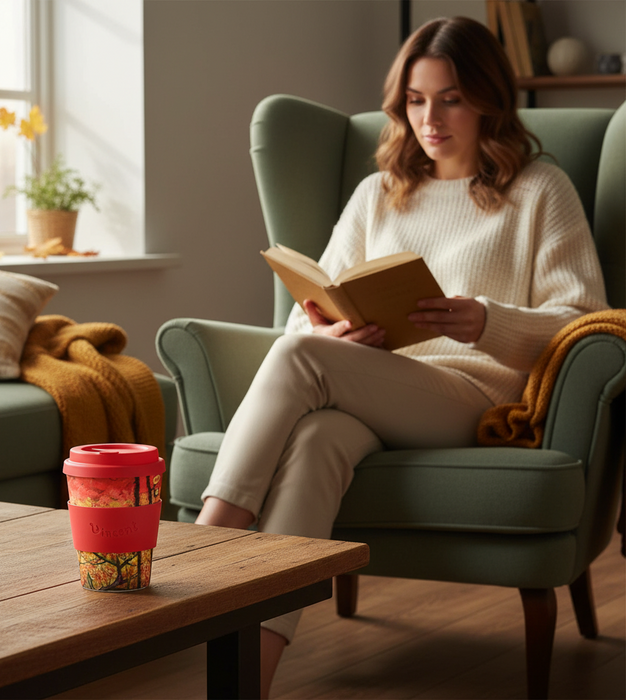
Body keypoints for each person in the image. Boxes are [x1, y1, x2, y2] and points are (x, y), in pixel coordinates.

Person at [196, 16, 608, 698]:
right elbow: (317, 300)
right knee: (317, 442)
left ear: (486, 98)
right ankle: (247, 686)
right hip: (370, 388)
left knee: (301, 362)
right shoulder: (377, 192)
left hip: (471, 397)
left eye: (449, 97)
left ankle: (207, 544)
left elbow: (584, 323)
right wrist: (330, 334)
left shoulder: (539, 190)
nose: (430, 117)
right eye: (416, 100)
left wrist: (487, 321)